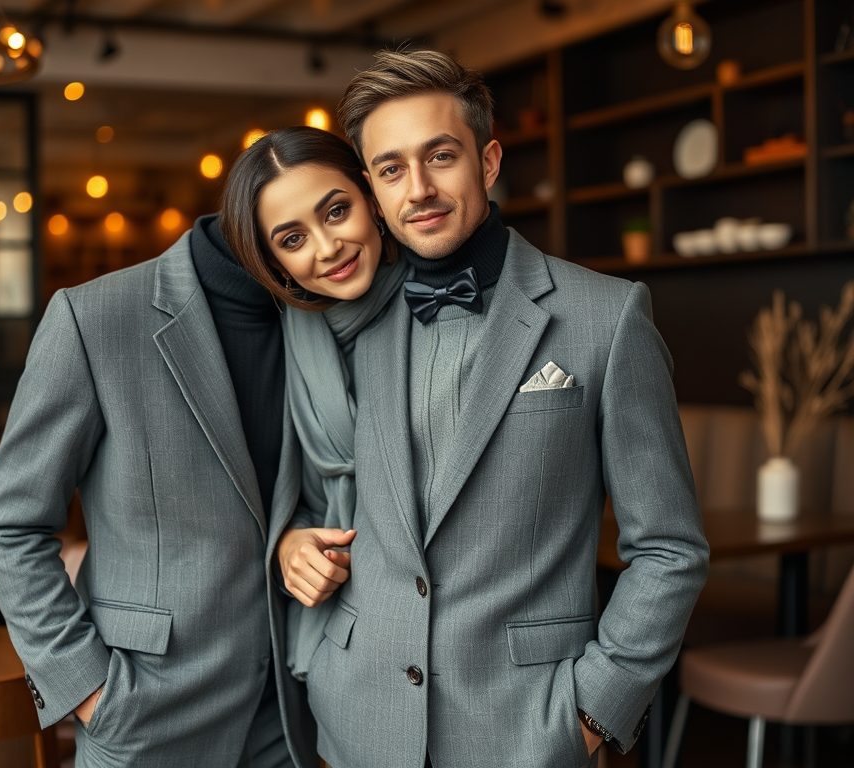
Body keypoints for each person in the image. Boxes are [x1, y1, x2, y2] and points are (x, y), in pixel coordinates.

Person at [273, 49, 710, 768]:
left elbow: (669, 548)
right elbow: (323, 492)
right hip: (357, 717)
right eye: (390, 169)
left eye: (440, 155)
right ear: (373, 191)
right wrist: (294, 542)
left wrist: (593, 709)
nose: (418, 189)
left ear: (489, 159)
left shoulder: (606, 317)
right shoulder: (342, 323)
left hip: (526, 728)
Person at [0, 210, 317, 767]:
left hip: (287, 715)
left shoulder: (321, 312)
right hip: (147, 715)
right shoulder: (94, 316)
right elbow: (9, 527)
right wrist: (90, 690)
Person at [220, 125, 406, 678]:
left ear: (372, 199)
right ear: (273, 263)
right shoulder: (283, 338)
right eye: (292, 239)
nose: (327, 249)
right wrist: (293, 543)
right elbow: (292, 487)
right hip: (339, 639)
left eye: (335, 211)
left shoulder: (441, 303)